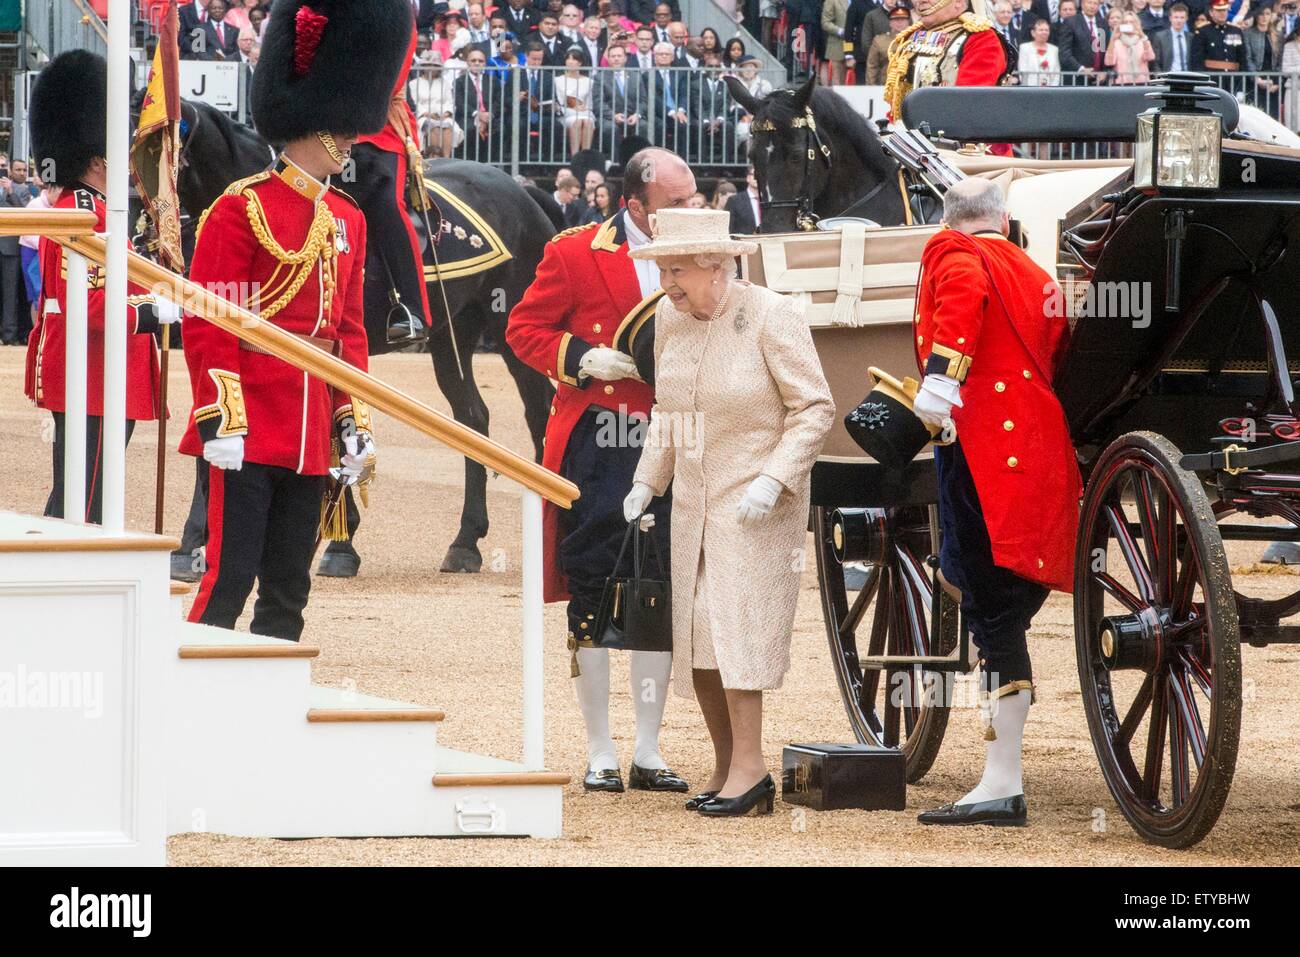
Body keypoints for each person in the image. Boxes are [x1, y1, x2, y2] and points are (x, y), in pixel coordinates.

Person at [181, 0, 407, 640]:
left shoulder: (349, 218)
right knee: (228, 576)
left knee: (289, 588)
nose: (355, 140)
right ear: (320, 126)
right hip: (249, 418)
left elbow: (348, 332)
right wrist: (221, 412)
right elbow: (209, 319)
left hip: (311, 427)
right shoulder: (240, 207)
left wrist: (350, 415)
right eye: (348, 128)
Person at [626, 208, 834, 816]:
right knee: (694, 639)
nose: (668, 282)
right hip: (693, 502)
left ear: (719, 267)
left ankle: (752, 770)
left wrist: (774, 479)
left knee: (731, 633)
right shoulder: (670, 318)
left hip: (754, 508)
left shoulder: (772, 315)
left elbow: (814, 409)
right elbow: (667, 411)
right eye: (664, 269)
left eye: (679, 269)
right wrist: (647, 482)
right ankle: (725, 765)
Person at [506, 148, 696, 795]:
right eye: (678, 203)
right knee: (592, 587)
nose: (691, 212)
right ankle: (600, 749)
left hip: (673, 436)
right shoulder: (574, 250)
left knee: (658, 593)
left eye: (693, 199)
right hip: (598, 437)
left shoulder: (706, 251)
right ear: (637, 204)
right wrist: (584, 358)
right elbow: (524, 329)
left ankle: (647, 747)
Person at [908, 178, 1079, 827]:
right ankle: (999, 774)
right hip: (1039, 438)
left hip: (981, 442)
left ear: (952, 221)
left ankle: (1002, 781)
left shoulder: (953, 250)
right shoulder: (1033, 269)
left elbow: (960, 305)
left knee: (990, 611)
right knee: (1000, 602)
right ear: (1003, 221)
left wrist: (937, 383)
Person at [26, 51, 179, 524]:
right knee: (82, 502)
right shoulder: (85, 211)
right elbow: (88, 306)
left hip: (100, 370)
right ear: (96, 158)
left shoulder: (99, 207)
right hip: (92, 372)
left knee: (87, 494)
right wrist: (151, 312)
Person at [884, 0, 1014, 142]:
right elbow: (899, 100)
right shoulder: (913, 36)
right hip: (917, 141)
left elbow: (968, 105)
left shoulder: (982, 38)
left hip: (970, 146)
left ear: (958, 2)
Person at [0, 158, 36, 346]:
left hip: (11, 248)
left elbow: (26, 214)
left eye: (24, 170)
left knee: (10, 293)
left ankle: (9, 334)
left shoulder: (23, 191)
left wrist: (11, 192)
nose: (21, 173)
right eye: (18, 170)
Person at [413, 51, 464, 157]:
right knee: (434, 128)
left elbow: (449, 101)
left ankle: (445, 159)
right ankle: (433, 160)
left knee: (448, 127)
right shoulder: (414, 83)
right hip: (423, 117)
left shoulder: (445, 84)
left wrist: (446, 113)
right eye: (428, 65)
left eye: (435, 65)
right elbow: (414, 103)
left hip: (442, 116)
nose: (431, 68)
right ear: (422, 66)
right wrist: (426, 113)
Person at [1191, 0, 1245, 87]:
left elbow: (1242, 60)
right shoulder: (1202, 32)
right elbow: (1197, 62)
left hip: (1233, 80)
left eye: (1224, 10)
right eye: (1219, 11)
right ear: (1211, 12)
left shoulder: (1236, 31)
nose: (1222, 13)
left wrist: (1241, 86)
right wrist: (1202, 83)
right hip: (1211, 80)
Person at [556, 47, 596, 154]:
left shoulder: (589, 81)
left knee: (587, 122)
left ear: (580, 63)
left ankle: (585, 155)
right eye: (568, 59)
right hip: (567, 112)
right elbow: (560, 101)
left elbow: (590, 102)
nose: (571, 62)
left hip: (585, 111)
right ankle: (575, 157)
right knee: (577, 121)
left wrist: (584, 107)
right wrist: (573, 107)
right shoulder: (558, 80)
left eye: (574, 59)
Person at [1058, 0, 1110, 81]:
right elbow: (1065, 52)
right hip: (1077, 79)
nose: (1092, 6)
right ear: (1082, 4)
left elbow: (1103, 49)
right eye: (1089, 2)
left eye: (1095, 3)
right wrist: (1081, 69)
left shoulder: (1103, 23)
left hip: (1099, 80)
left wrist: (1104, 71)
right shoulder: (1071, 22)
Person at [1244, 5, 1281, 114]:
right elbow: (1247, 58)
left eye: (1267, 14)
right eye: (1261, 14)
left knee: (1273, 116)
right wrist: (1257, 79)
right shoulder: (1248, 34)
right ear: (1256, 16)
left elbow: (1280, 60)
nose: (1264, 17)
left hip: (1273, 81)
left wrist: (1278, 83)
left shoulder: (1276, 35)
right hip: (1256, 80)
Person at [870, 3, 914, 84]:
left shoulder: (915, 40)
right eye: (896, 20)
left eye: (903, 19)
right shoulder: (879, 41)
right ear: (890, 23)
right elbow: (872, 66)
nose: (899, 23)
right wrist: (871, 87)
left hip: (909, 85)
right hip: (886, 84)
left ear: (908, 22)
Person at [1105, 11, 1155, 82]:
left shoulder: (1142, 41)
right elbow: (1109, 62)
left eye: (1131, 22)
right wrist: (1113, 39)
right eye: (1126, 22)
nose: (1129, 24)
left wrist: (1142, 35)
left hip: (1142, 83)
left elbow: (1150, 57)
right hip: (1122, 83)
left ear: (1137, 24)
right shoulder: (1117, 43)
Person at [1018, 15, 1061, 85]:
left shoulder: (1054, 49)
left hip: (1050, 90)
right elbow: (1022, 70)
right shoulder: (1024, 48)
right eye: (1041, 30)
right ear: (1033, 33)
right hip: (1030, 90)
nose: (1044, 32)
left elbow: (1057, 72)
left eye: (1046, 30)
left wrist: (1053, 88)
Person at [725, 164, 761, 234]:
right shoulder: (734, 201)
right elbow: (729, 228)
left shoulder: (770, 201)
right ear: (748, 178)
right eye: (755, 175)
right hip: (745, 243)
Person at [823, 0, 852, 84]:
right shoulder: (832, 1)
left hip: (856, 44)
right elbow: (825, 22)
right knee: (838, 77)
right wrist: (840, 31)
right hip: (838, 44)